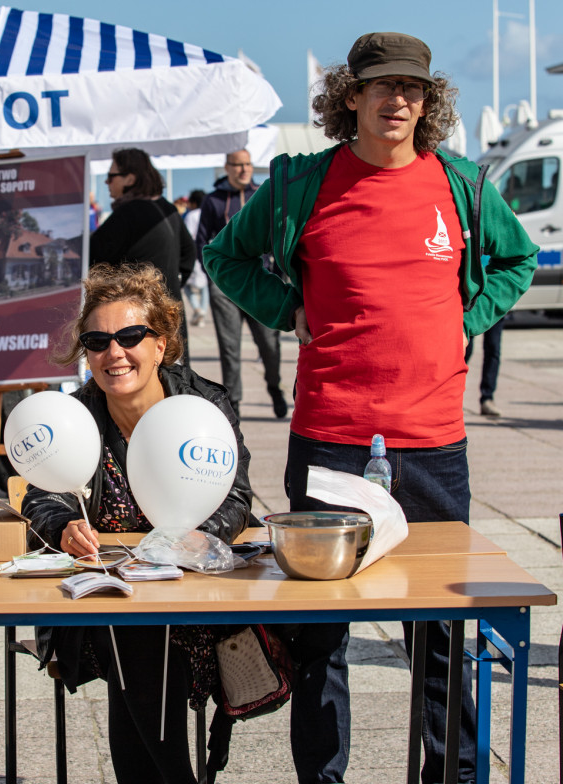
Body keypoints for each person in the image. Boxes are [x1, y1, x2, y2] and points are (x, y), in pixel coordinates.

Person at [202, 32, 537, 784]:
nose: (399, 102)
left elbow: (516, 260)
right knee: (324, 637)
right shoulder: (299, 183)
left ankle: (447, 774)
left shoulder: (463, 185)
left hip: (433, 443)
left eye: (412, 89)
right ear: (349, 96)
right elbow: (224, 256)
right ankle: (323, 778)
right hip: (331, 439)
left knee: (444, 632)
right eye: (382, 87)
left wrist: (470, 316)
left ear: (429, 99)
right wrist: (286, 310)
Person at [22, 263, 254, 784]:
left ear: (161, 343)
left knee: (143, 637)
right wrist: (64, 526)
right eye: (97, 340)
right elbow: (42, 496)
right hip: (110, 608)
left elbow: (236, 497)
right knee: (130, 630)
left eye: (129, 336)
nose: (113, 353)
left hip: (196, 599)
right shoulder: (73, 418)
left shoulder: (204, 405)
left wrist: (196, 539)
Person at [196, 149, 287, 420]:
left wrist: (279, 274)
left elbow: (281, 234)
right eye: (238, 165)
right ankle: (233, 402)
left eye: (248, 164)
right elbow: (201, 242)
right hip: (225, 287)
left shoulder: (264, 193)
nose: (244, 169)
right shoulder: (213, 201)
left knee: (269, 344)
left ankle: (274, 387)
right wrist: (214, 276)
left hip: (261, 282)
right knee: (230, 347)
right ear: (227, 167)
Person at [90, 149, 196, 326]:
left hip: (139, 315)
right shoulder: (167, 208)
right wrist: (170, 285)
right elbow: (189, 253)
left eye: (111, 176)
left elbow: (92, 256)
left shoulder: (128, 213)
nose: (106, 182)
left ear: (130, 179)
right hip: (170, 310)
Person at [465, 317, 506, 417]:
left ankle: (487, 398)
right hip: (471, 308)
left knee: (493, 349)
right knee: (466, 348)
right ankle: (451, 391)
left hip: (494, 306)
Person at [181, 190, 208, 328]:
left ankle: (197, 308)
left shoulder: (191, 215)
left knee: (186, 285)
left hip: (194, 254)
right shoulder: (207, 213)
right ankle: (202, 310)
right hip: (207, 252)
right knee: (206, 286)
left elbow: (188, 236)